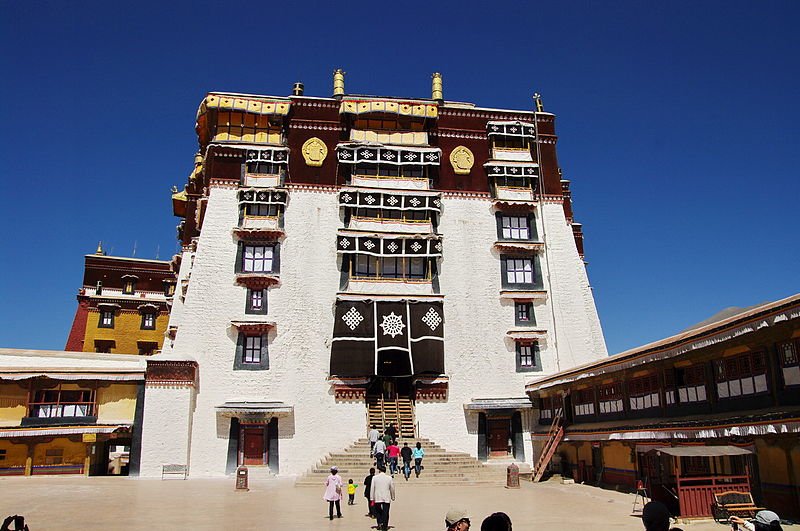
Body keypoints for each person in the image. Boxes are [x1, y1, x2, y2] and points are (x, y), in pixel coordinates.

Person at [370, 465, 395, 531]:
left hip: (377, 497)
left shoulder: (375, 478)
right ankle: (385, 525)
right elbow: (392, 488)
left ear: (379, 470)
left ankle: (379, 522)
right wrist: (393, 496)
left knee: (378, 511)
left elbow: (372, 488)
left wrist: (371, 498)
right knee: (386, 512)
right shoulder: (389, 478)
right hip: (386, 497)